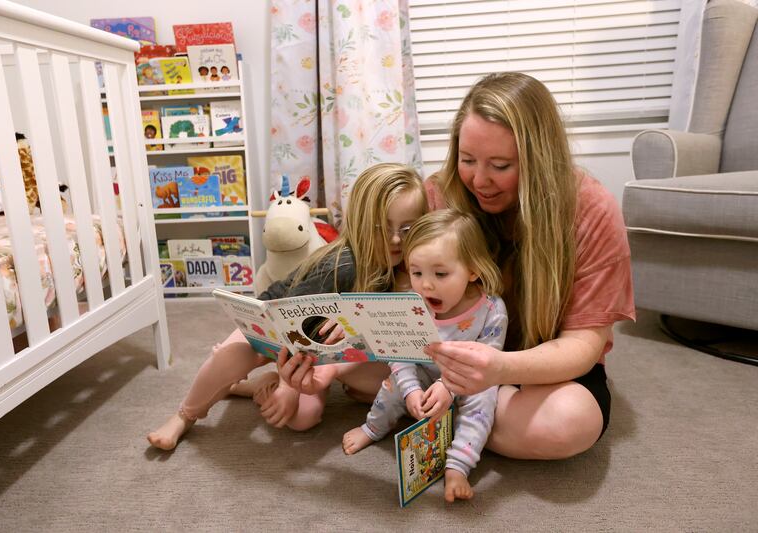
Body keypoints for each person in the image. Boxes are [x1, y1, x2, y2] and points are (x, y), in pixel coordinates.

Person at [421, 72, 636, 460]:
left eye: (501, 165)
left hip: (536, 368)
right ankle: (468, 417)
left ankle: (442, 415)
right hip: (447, 355)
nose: (479, 180)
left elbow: (582, 345)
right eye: (467, 159)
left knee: (569, 422)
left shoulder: (592, 210)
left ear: (540, 160)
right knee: (349, 371)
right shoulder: (441, 191)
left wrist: (499, 369)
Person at [147, 163, 428, 450]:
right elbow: (287, 323)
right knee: (233, 354)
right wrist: (286, 385)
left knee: (303, 418)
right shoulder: (341, 265)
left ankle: (256, 386)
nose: (395, 239)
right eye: (382, 228)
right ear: (360, 223)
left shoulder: (417, 269)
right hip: (278, 325)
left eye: (407, 229)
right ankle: (184, 416)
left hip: (324, 354)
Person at [342, 209, 507, 502]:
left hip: (468, 381)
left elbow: (486, 361)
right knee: (394, 381)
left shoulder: (492, 310)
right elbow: (399, 355)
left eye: (440, 274)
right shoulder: (412, 304)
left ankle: (458, 465)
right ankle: (373, 427)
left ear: (472, 270)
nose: (426, 284)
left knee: (485, 398)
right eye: (416, 272)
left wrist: (448, 387)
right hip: (422, 374)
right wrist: (410, 391)